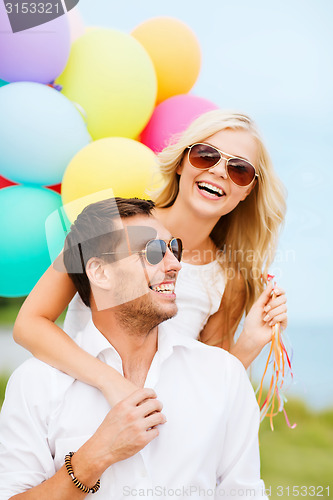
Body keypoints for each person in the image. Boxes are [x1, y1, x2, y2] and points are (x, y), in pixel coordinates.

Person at [13, 109, 288, 406]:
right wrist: (110, 382)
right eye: (206, 155)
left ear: (249, 190)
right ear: (182, 162)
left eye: (239, 169)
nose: (220, 172)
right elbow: (29, 324)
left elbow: (210, 389)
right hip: (71, 413)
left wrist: (248, 345)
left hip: (154, 434)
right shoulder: (114, 221)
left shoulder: (228, 278)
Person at [0, 198, 268, 499]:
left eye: (173, 248)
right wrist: (94, 457)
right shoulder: (34, 385)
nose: (175, 264)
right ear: (100, 273)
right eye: (153, 252)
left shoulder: (224, 375)